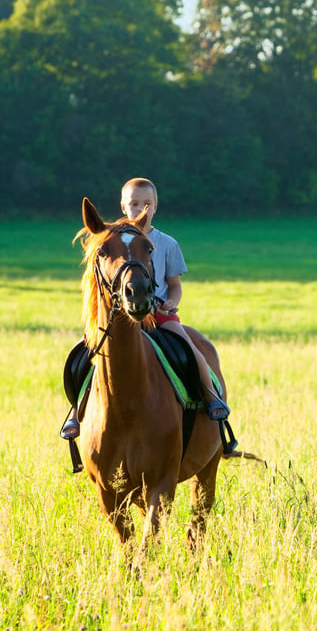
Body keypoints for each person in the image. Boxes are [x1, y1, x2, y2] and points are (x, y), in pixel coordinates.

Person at [60, 177, 229, 441]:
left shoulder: (167, 243)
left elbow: (174, 285)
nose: (139, 209)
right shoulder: (114, 239)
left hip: (159, 313)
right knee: (85, 352)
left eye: (146, 204)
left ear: (155, 206)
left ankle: (210, 396)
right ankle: (75, 409)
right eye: (134, 203)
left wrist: (173, 301)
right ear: (123, 205)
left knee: (189, 346)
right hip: (120, 315)